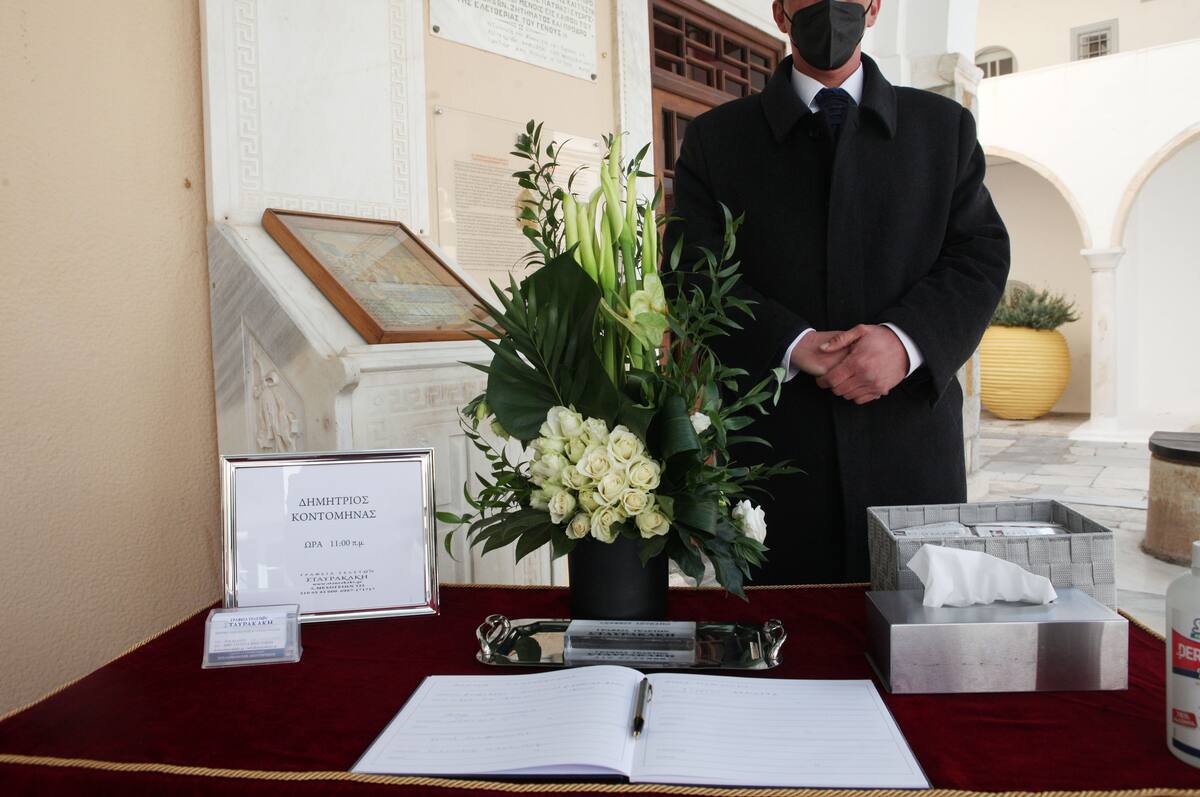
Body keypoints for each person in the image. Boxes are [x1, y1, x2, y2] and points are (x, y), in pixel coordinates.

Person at [662, 0, 1010, 584]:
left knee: (913, 616)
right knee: (784, 626)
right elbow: (691, 270)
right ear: (780, 12)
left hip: (910, 444)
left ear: (873, 8)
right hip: (774, 449)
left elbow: (979, 254)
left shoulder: (942, 128)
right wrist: (792, 342)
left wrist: (905, 342)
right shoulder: (717, 139)